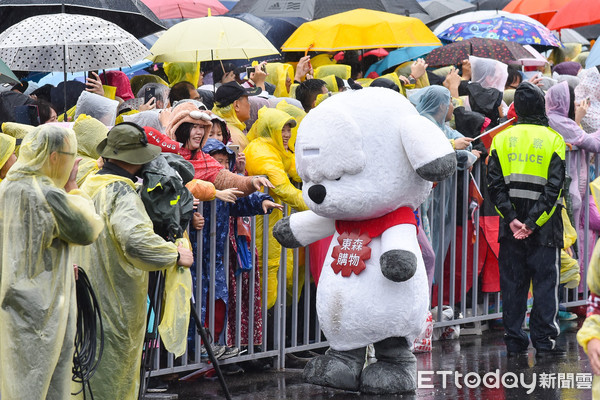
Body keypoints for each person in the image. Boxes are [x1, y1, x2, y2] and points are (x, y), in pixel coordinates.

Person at [73, 122, 194, 400]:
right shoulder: (121, 193)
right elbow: (136, 242)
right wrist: (174, 254)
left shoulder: (91, 182)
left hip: (90, 294)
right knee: (116, 371)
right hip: (116, 297)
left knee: (91, 370)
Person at [0, 125, 103, 399]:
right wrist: (73, 188)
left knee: (15, 383)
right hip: (42, 312)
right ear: (55, 157)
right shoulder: (48, 194)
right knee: (43, 384)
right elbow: (87, 229)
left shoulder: (6, 187)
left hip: (12, 305)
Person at [487, 82, 566, 357]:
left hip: (510, 230)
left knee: (512, 285)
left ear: (517, 108)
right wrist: (533, 223)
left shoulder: (500, 139)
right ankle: (544, 344)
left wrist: (511, 219)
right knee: (545, 285)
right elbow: (554, 190)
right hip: (544, 230)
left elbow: (494, 187)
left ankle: (514, 341)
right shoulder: (553, 139)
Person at [244, 107, 308, 310]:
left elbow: (298, 171)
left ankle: (263, 335)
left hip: (271, 226)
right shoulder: (261, 152)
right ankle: (257, 338)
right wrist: (319, 206)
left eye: (289, 129)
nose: (287, 134)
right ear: (269, 130)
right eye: (283, 129)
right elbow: (283, 187)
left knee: (276, 277)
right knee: (264, 283)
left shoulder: (277, 150)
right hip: (259, 229)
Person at [212, 81, 261, 150]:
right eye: (247, 100)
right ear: (236, 105)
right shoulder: (234, 136)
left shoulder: (223, 128)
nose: (249, 104)